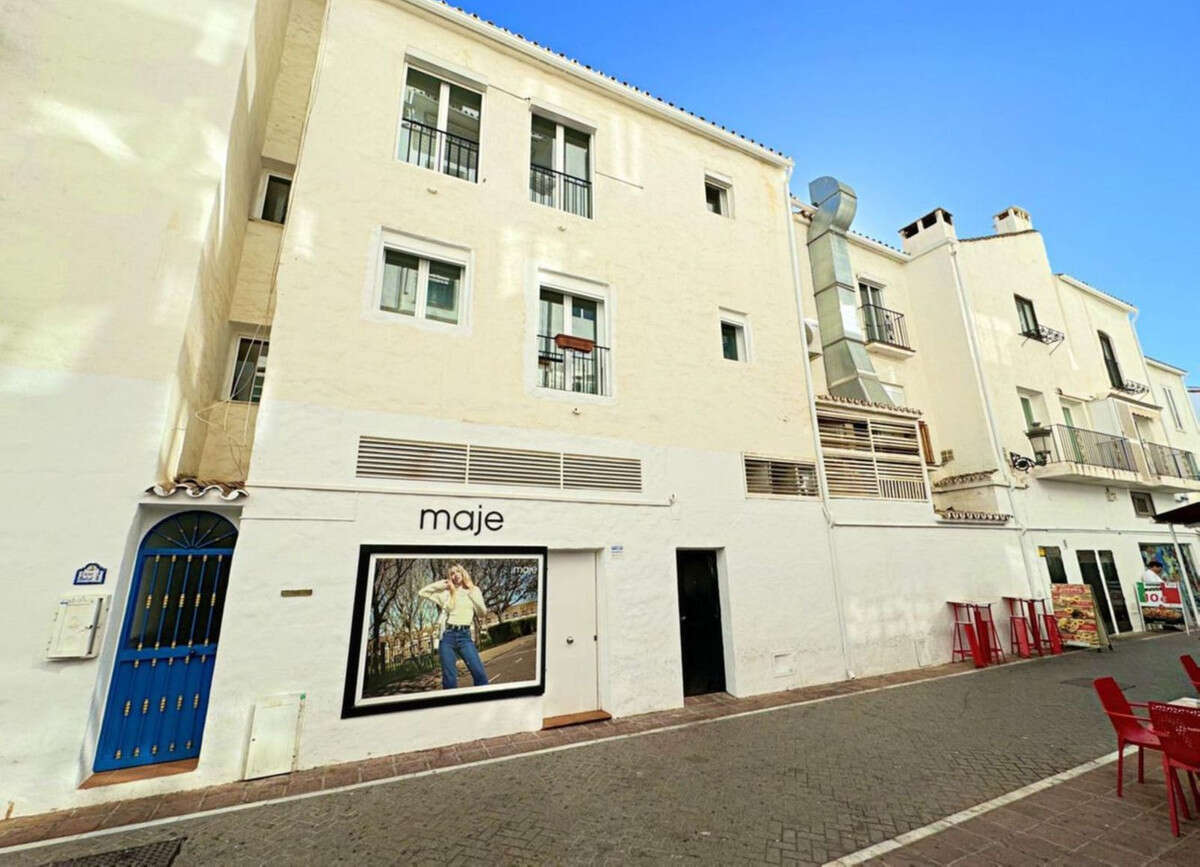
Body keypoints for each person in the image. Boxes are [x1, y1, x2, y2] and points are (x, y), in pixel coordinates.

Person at [418, 563, 489, 689]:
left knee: (480, 675)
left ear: (463, 572)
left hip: (465, 637)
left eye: (457, 571)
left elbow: (482, 612)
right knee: (449, 679)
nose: (455, 575)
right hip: (447, 638)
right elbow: (422, 592)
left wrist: (472, 593)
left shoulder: (474, 590)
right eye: (452, 574)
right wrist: (442, 584)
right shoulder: (446, 594)